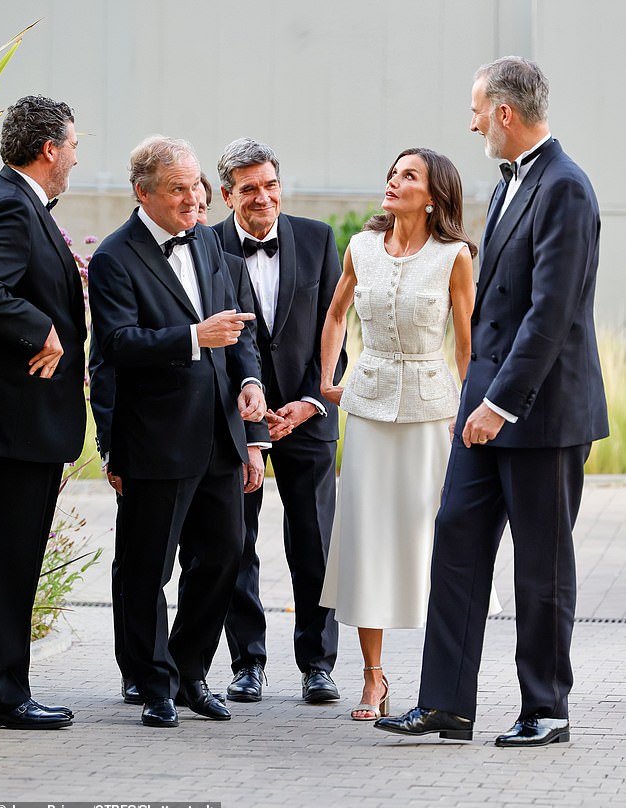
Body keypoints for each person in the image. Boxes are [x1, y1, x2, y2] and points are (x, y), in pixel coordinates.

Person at [375, 56, 609, 747]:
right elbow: (494, 318)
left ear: (505, 112)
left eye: (478, 109)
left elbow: (550, 314)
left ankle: (546, 708)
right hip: (486, 409)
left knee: (542, 565)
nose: (472, 120)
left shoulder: (566, 187)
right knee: (455, 540)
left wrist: (499, 403)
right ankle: (446, 703)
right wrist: (473, 399)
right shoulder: (508, 186)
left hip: (542, 414)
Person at [88, 136, 266, 728]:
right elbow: (113, 345)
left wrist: (250, 384)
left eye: (197, 186)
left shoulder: (212, 245)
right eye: (178, 189)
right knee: (148, 568)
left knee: (222, 556)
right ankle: (154, 682)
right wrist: (193, 338)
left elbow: (237, 333)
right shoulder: (116, 256)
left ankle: (191, 671)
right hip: (155, 439)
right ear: (143, 193)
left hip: (220, 432)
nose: (194, 199)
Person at [320, 148, 488, 720]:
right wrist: (328, 378)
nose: (393, 182)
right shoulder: (361, 247)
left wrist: (472, 410)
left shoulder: (455, 256)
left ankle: (440, 681)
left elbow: (465, 344)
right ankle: (372, 678)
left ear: (434, 195)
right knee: (367, 538)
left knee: (430, 539)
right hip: (366, 408)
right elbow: (337, 313)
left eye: (408, 176)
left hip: (430, 411)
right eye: (391, 173)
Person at [213, 138, 347, 703]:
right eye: (249, 188)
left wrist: (312, 401)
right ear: (227, 195)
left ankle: (318, 662)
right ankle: (248, 662)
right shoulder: (206, 245)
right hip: (234, 423)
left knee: (314, 540)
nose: (262, 196)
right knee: (235, 541)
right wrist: (250, 415)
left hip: (308, 416)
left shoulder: (317, 239)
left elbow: (335, 331)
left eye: (269, 184)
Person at [0, 95, 85, 729]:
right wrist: (42, 328)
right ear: (49, 148)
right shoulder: (9, 204)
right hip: (15, 427)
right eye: (74, 144)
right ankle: (4, 696)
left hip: (26, 426)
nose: (78, 156)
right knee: (8, 563)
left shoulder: (24, 204)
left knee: (12, 562)